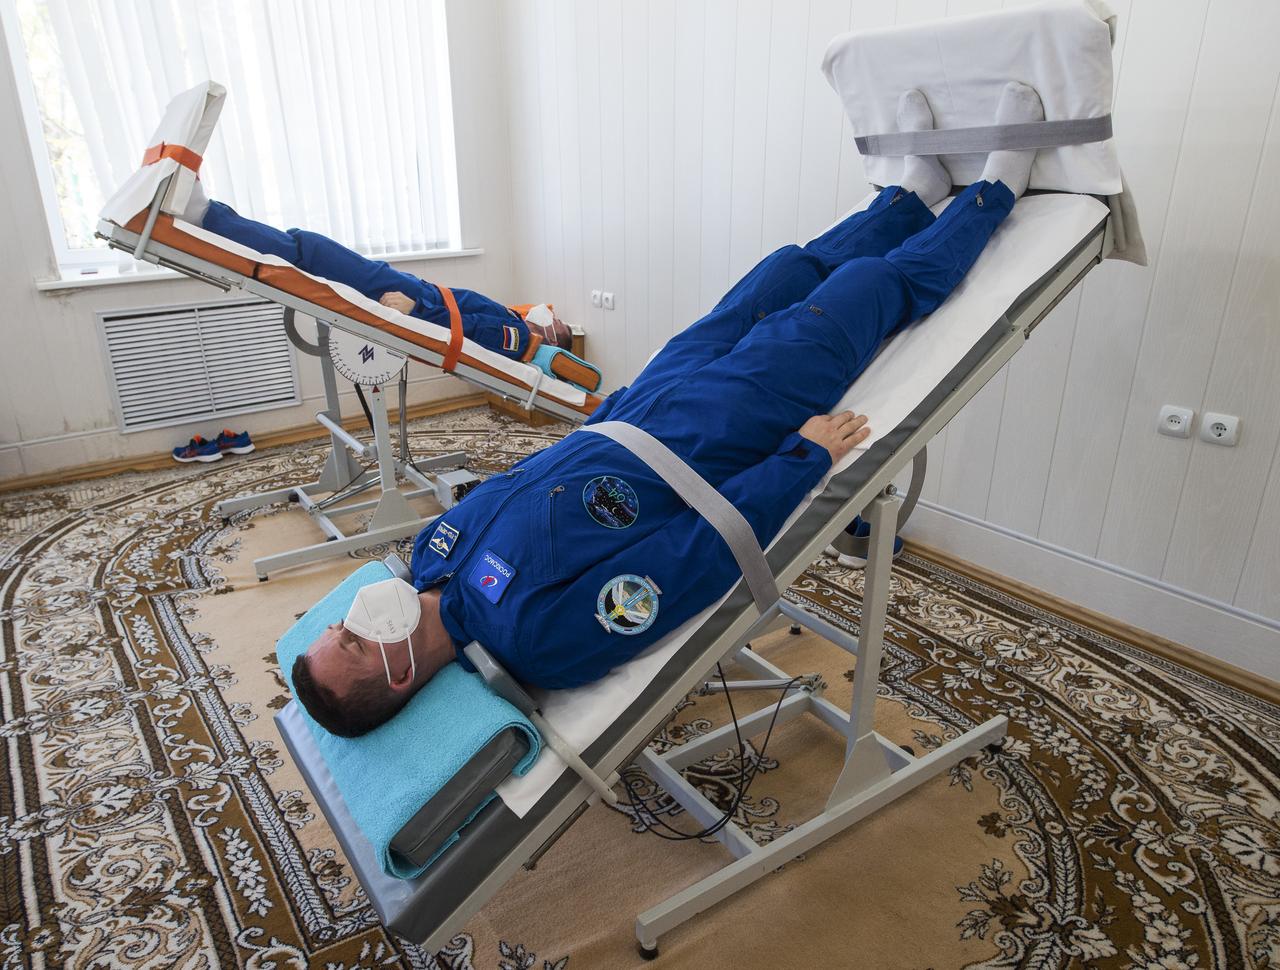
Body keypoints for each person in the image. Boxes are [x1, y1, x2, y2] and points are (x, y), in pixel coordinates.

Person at [292, 83, 1045, 738]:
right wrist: (802, 460)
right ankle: (995, 192)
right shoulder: (536, 640)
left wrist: (624, 398)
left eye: (338, 627)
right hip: (722, 434)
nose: (351, 619)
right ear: (398, 677)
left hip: (650, 399)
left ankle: (906, 199)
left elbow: (537, 470)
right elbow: (688, 561)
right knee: (863, 295)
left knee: (779, 274)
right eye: (353, 644)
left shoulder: (432, 554)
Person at [181, 183, 589, 382]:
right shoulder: (517, 323)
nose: (547, 315)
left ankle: (207, 218)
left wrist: (418, 309)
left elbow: (469, 333)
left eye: (555, 323)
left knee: (309, 252)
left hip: (417, 299)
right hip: (417, 290)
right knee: (308, 251)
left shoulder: (518, 336)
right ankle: (210, 218)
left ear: (551, 338)